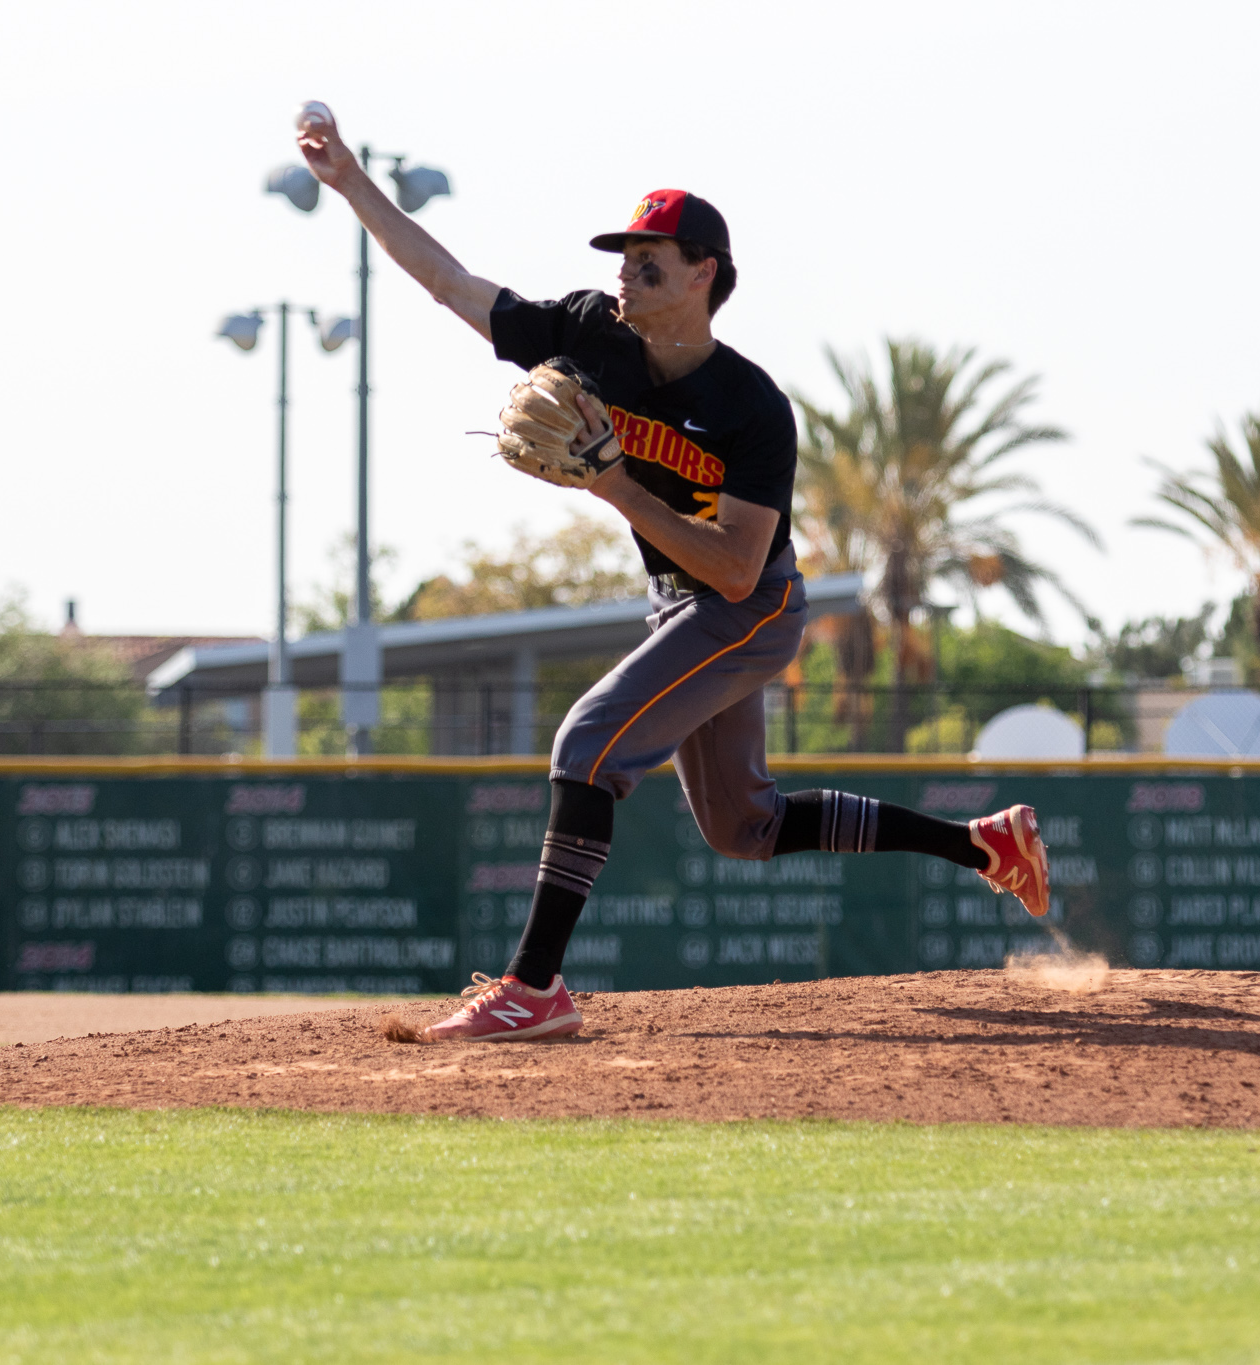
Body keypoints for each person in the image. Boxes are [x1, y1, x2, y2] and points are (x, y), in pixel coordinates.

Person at [295, 104, 1050, 1041]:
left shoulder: (751, 407)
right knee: (745, 827)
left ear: (705, 275)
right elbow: (452, 283)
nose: (626, 268)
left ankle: (535, 987)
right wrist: (351, 184)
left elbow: (736, 570)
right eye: (624, 253)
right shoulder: (590, 334)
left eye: (649, 256)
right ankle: (984, 845)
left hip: (751, 605)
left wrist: (613, 483)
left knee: (587, 743)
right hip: (679, 605)